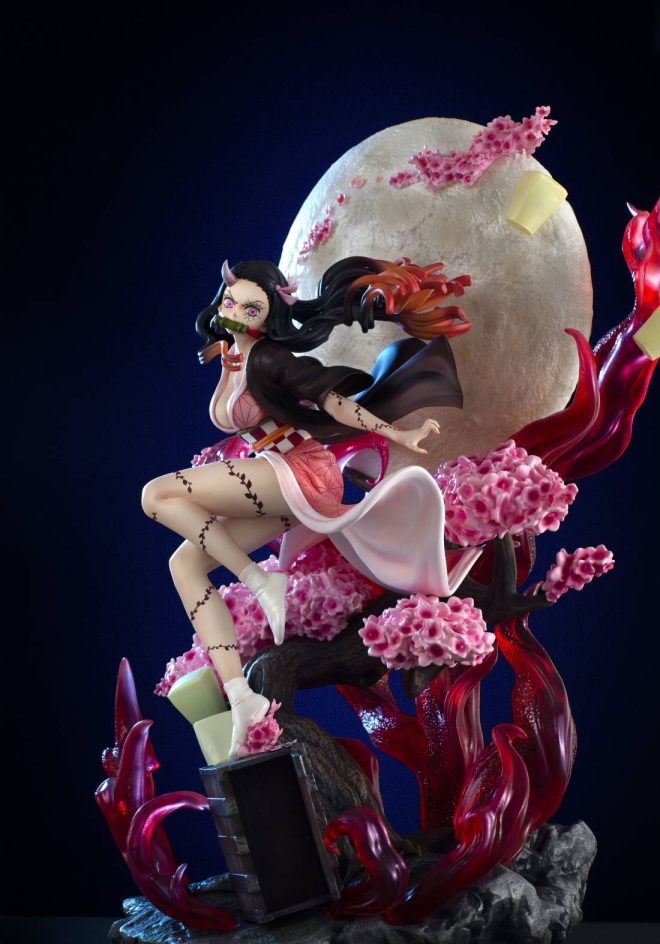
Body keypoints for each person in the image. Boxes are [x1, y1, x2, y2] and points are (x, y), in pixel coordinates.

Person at [141, 256, 481, 757]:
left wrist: (398, 433)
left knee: (156, 495)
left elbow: (332, 402)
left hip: (300, 471)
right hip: (273, 476)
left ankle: (259, 580)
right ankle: (243, 697)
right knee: (185, 565)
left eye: (252, 308)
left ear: (269, 317)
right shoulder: (233, 357)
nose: (237, 311)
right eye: (233, 300)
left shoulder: (269, 358)